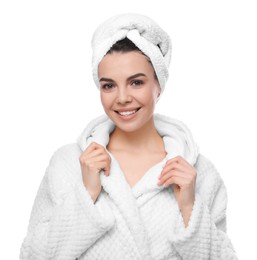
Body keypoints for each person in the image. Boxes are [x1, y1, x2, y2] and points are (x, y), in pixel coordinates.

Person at [19, 13, 238, 260]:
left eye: (136, 82)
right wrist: (86, 196)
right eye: (109, 85)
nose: (122, 97)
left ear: (158, 85)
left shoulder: (198, 174)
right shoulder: (68, 164)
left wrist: (189, 208)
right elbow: (32, 255)